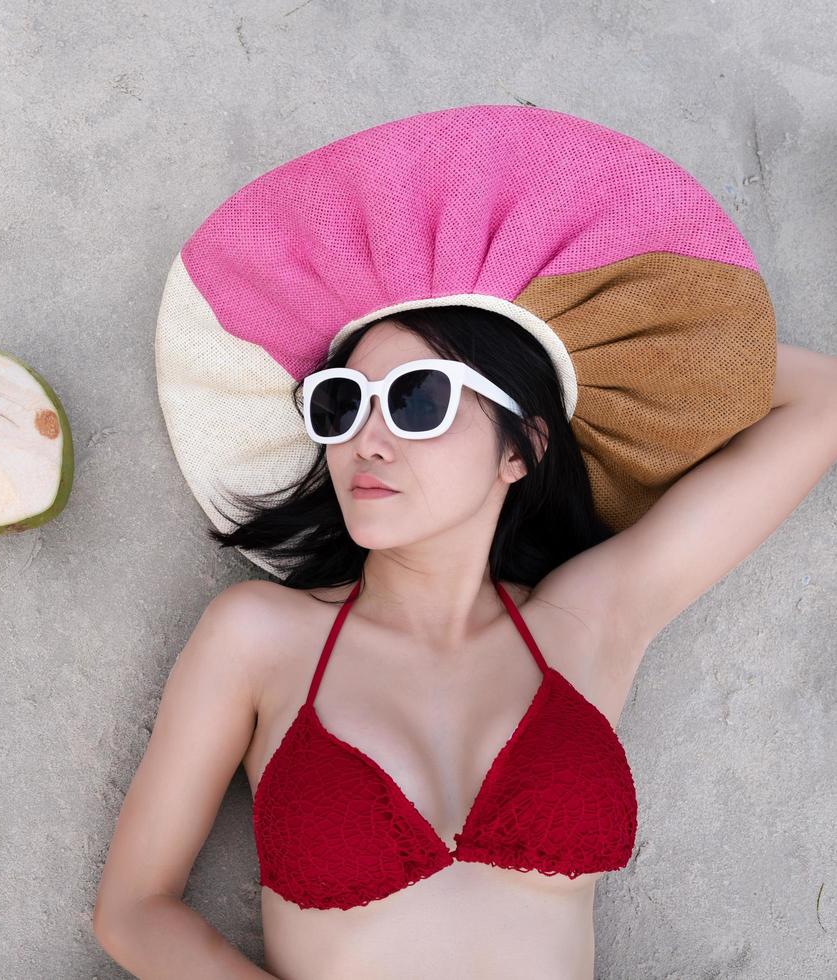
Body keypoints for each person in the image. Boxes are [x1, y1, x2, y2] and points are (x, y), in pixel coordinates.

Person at [91, 306, 837, 978]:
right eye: (343, 405)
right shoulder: (258, 636)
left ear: (521, 447)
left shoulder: (581, 624)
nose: (367, 441)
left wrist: (572, 343)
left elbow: (820, 401)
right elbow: (133, 910)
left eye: (419, 400)